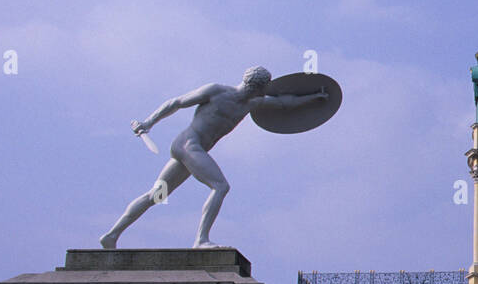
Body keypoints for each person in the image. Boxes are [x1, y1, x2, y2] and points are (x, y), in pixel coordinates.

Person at [100, 66, 326, 249]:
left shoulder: (252, 103)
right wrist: (148, 122)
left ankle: (111, 235)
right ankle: (201, 240)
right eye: (265, 86)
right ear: (255, 86)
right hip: (189, 144)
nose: (267, 90)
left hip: (193, 151)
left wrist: (316, 96)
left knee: (155, 195)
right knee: (220, 186)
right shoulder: (217, 91)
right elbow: (176, 103)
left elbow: (285, 102)